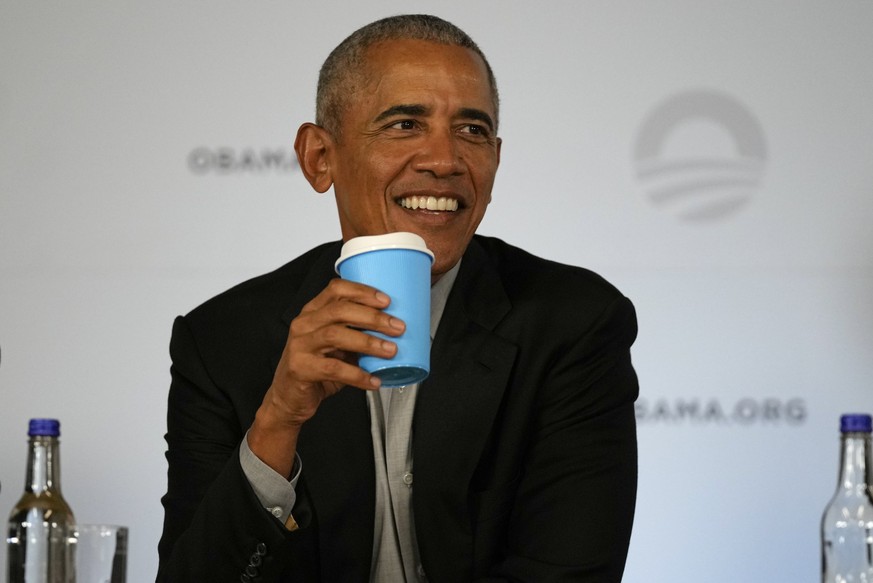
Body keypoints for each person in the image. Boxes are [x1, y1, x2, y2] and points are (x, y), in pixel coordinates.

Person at [157, 14, 639, 583]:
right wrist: (279, 420)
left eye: (473, 130)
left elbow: (569, 571)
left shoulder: (574, 321)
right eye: (405, 124)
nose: (445, 160)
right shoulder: (220, 341)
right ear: (319, 157)